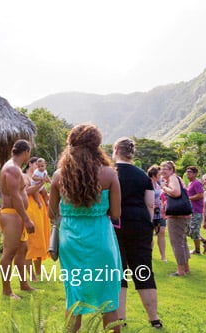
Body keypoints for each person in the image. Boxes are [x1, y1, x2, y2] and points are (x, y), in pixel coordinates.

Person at [49, 123, 122, 333]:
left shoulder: (58, 176)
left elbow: (52, 214)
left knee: (75, 299)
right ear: (97, 145)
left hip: (70, 241)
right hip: (100, 238)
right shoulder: (109, 174)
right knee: (109, 299)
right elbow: (116, 214)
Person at [113, 138, 162, 329]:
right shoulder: (143, 175)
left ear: (116, 150)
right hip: (140, 223)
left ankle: (120, 317)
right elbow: (151, 204)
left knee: (119, 270)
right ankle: (154, 317)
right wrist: (148, 227)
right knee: (143, 269)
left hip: (115, 223)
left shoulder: (110, 172)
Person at [0, 139, 35, 299]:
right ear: (26, 152)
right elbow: (15, 196)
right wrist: (26, 219)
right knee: (9, 252)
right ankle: (7, 290)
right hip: (12, 214)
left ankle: (24, 284)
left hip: (17, 214)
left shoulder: (15, 168)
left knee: (22, 250)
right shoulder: (12, 169)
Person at [160, 160, 191, 276]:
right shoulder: (175, 178)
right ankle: (186, 268)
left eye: (166, 168)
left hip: (176, 215)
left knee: (177, 242)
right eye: (161, 168)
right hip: (182, 215)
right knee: (182, 241)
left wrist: (164, 188)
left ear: (172, 170)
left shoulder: (172, 178)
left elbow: (176, 192)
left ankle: (181, 270)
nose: (163, 170)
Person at [23, 156, 51, 280]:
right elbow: (26, 192)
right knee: (31, 242)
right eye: (36, 165)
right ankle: (32, 275)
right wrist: (40, 183)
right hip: (30, 210)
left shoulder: (41, 174)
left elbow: (43, 191)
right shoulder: (25, 176)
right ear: (30, 164)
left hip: (40, 211)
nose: (39, 167)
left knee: (40, 240)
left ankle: (38, 272)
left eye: (41, 165)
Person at [186, 166, 206, 255]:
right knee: (189, 230)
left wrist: (188, 198)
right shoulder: (190, 183)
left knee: (194, 230)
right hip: (190, 210)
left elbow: (201, 195)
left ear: (195, 174)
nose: (187, 173)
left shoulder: (197, 183)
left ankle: (197, 250)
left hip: (196, 210)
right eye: (187, 171)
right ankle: (205, 242)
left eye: (190, 172)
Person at [148, 165, 167, 262]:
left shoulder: (159, 185)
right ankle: (149, 255)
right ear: (154, 175)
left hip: (160, 212)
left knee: (162, 232)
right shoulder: (147, 184)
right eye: (159, 174)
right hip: (150, 212)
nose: (161, 176)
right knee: (150, 234)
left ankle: (163, 256)